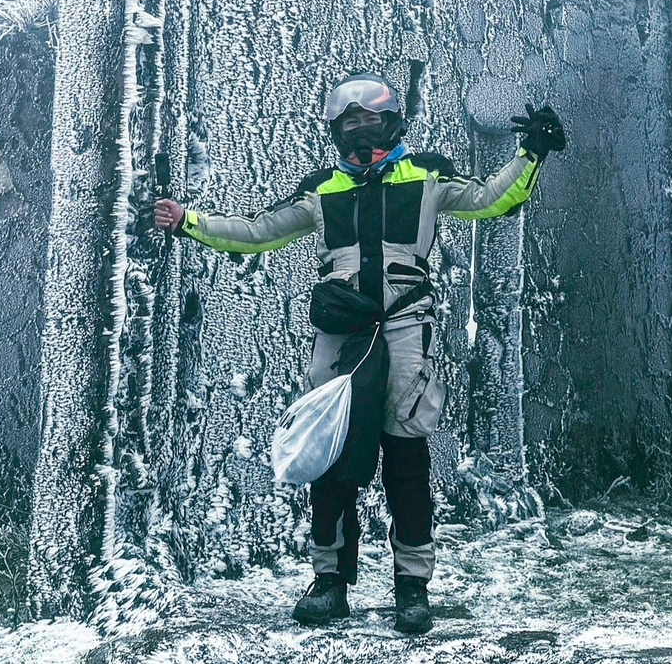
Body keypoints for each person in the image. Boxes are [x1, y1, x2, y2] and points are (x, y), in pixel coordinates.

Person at [153, 73, 566, 634]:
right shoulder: (321, 190)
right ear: (334, 133)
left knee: (406, 457)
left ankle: (412, 590)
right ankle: (329, 585)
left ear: (394, 123)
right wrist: (188, 222)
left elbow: (494, 200)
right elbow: (256, 231)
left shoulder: (427, 175)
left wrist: (531, 152)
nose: (361, 136)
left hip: (404, 327)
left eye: (371, 124)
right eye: (349, 126)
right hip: (341, 334)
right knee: (330, 455)